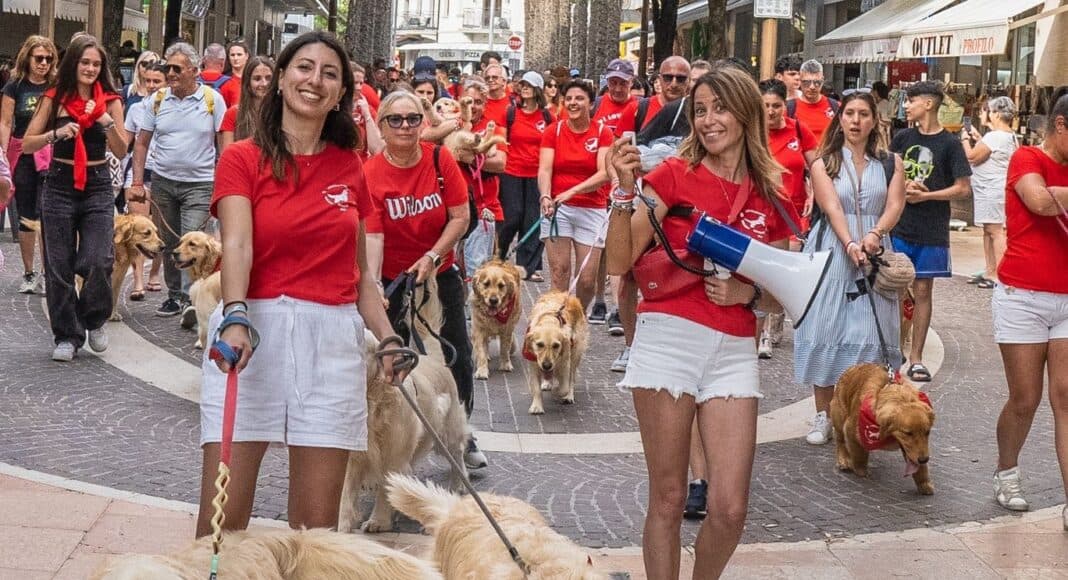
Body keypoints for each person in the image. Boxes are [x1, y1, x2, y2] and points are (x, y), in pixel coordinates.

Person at [195, 30, 400, 537]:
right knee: (222, 520)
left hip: (330, 339)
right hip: (251, 329)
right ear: (281, 78)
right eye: (304, 67)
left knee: (316, 529)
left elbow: (362, 278)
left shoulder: (350, 167)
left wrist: (390, 338)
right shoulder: (241, 157)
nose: (315, 80)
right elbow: (237, 245)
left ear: (340, 94)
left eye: (330, 74)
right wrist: (236, 313)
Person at [607, 65, 792, 579]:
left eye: (720, 108)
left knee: (730, 508)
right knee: (668, 498)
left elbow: (783, 295)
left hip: (734, 346)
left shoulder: (771, 193)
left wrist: (747, 290)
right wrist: (624, 194)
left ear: (747, 112)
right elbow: (620, 261)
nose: (709, 120)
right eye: (701, 110)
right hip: (668, 336)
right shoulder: (672, 175)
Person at [362, 91, 486, 469]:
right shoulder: (369, 173)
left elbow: (460, 217)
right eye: (395, 120)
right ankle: (397, 435)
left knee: (456, 355)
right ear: (381, 126)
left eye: (413, 119)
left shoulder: (439, 158)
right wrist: (375, 287)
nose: (404, 127)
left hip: (440, 269)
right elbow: (374, 235)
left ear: (423, 124)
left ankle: (462, 435)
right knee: (394, 355)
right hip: (394, 276)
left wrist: (433, 255)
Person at [794, 91, 907, 445]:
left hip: (875, 252)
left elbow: (895, 203)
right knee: (826, 326)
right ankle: (823, 415)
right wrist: (851, 243)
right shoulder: (824, 161)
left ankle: (865, 413)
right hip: (832, 248)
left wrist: (875, 234)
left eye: (863, 114)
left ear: (874, 120)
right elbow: (831, 207)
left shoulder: (890, 162)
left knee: (872, 332)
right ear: (839, 119)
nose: (856, 121)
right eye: (849, 114)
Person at [21, 34, 128, 361]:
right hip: (59, 182)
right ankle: (67, 334)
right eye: (85, 62)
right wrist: (56, 133)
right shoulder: (55, 98)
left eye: (96, 64)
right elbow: (27, 144)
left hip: (96, 183)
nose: (91, 69)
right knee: (59, 264)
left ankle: (94, 318)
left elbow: (121, 149)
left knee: (97, 259)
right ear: (73, 64)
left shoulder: (111, 100)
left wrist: (107, 123)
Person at [989, 94, 1068, 524]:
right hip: (1022, 296)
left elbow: (1052, 199)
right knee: (1025, 398)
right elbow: (1038, 201)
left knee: (1066, 397)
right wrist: (1053, 194)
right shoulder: (1025, 156)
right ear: (1060, 125)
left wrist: (1059, 194)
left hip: (1067, 298)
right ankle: (1006, 471)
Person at [129, 42, 227, 320]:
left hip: (201, 183)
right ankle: (175, 295)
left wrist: (223, 182)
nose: (170, 73)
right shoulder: (157, 100)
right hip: (163, 182)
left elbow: (223, 143)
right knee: (171, 242)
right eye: (167, 67)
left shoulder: (212, 100)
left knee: (191, 239)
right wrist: (138, 182)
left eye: (176, 68)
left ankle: (192, 298)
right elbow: (141, 143)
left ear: (194, 71)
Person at [890, 81, 972, 383]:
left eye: (911, 101)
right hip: (900, 224)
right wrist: (904, 186)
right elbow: (888, 172)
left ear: (928, 104)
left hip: (933, 229)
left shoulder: (950, 144)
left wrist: (926, 195)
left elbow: (963, 188)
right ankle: (893, 350)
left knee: (923, 291)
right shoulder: (901, 138)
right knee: (896, 289)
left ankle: (916, 357)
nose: (906, 105)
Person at [755, 79, 818, 360]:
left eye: (776, 105)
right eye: (766, 105)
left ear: (785, 105)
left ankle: (776, 315)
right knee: (760, 273)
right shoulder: (752, 131)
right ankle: (764, 331)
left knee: (778, 273)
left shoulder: (798, 130)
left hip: (790, 215)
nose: (771, 111)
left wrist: (814, 192)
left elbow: (815, 165)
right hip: (757, 211)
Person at [538, 80, 612, 310]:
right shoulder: (554, 131)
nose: (573, 103)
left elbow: (604, 173)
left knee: (587, 279)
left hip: (592, 207)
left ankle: (575, 314)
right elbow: (545, 169)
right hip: (558, 209)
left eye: (579, 98)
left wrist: (573, 191)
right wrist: (545, 196)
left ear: (591, 104)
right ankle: (557, 322)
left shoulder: (603, 132)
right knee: (560, 272)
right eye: (568, 98)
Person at [1, 35, 57, 295]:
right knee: (26, 214)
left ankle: (48, 272)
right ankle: (29, 271)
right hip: (23, 153)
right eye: (39, 58)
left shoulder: (56, 85)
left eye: (48, 59)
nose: (43, 63)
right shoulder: (15, 86)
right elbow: (5, 122)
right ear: (28, 58)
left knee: (48, 212)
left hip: (51, 154)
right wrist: (3, 153)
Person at [499, 74, 553, 282]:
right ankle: (499, 258)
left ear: (538, 89)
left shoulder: (547, 117)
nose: (525, 89)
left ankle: (528, 266)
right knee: (511, 217)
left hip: (536, 174)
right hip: (511, 172)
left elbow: (553, 143)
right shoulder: (512, 113)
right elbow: (502, 140)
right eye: (523, 85)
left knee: (532, 219)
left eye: (529, 85)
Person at [121, 61, 167, 299]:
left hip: (164, 173)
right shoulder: (137, 108)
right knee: (139, 228)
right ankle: (138, 280)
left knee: (157, 230)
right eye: (147, 80)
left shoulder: (173, 107)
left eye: (156, 81)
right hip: (139, 172)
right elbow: (126, 141)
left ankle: (154, 274)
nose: (151, 86)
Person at [962, 96, 1018, 289]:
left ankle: (1000, 274)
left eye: (987, 110)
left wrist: (964, 140)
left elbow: (972, 157)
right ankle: (990, 270)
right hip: (990, 189)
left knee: (995, 231)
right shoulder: (1006, 136)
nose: (983, 114)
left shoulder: (995, 137)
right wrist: (978, 139)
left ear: (995, 114)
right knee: (989, 230)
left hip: (991, 190)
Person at [459, 78, 508, 278]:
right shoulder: (450, 124)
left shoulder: (492, 128)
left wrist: (467, 157)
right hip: (450, 212)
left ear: (485, 104)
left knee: (477, 272)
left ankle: (474, 311)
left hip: (482, 210)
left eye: (478, 102)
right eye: (469, 101)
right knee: (450, 273)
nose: (473, 106)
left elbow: (500, 163)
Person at [219, 56, 273, 152]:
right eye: (257, 79)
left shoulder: (284, 114)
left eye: (268, 78)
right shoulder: (233, 113)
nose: (264, 83)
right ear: (247, 83)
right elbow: (227, 155)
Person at [791, 60, 838, 143]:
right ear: (800, 81)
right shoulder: (789, 109)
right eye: (806, 82)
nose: (812, 87)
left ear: (822, 81)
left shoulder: (836, 107)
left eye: (817, 82)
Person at [593, 59, 638, 137]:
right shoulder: (595, 105)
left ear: (631, 82)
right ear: (607, 82)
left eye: (623, 83)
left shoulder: (641, 106)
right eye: (613, 83)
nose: (618, 89)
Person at [350, 62, 383, 161]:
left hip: (360, 167)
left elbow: (377, 149)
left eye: (361, 83)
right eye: (355, 82)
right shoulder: (331, 107)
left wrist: (367, 115)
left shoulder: (366, 108)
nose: (359, 87)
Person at [196, 43, 240, 108]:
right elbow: (236, 111)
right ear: (222, 63)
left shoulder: (192, 81)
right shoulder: (232, 84)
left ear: (204, 61)